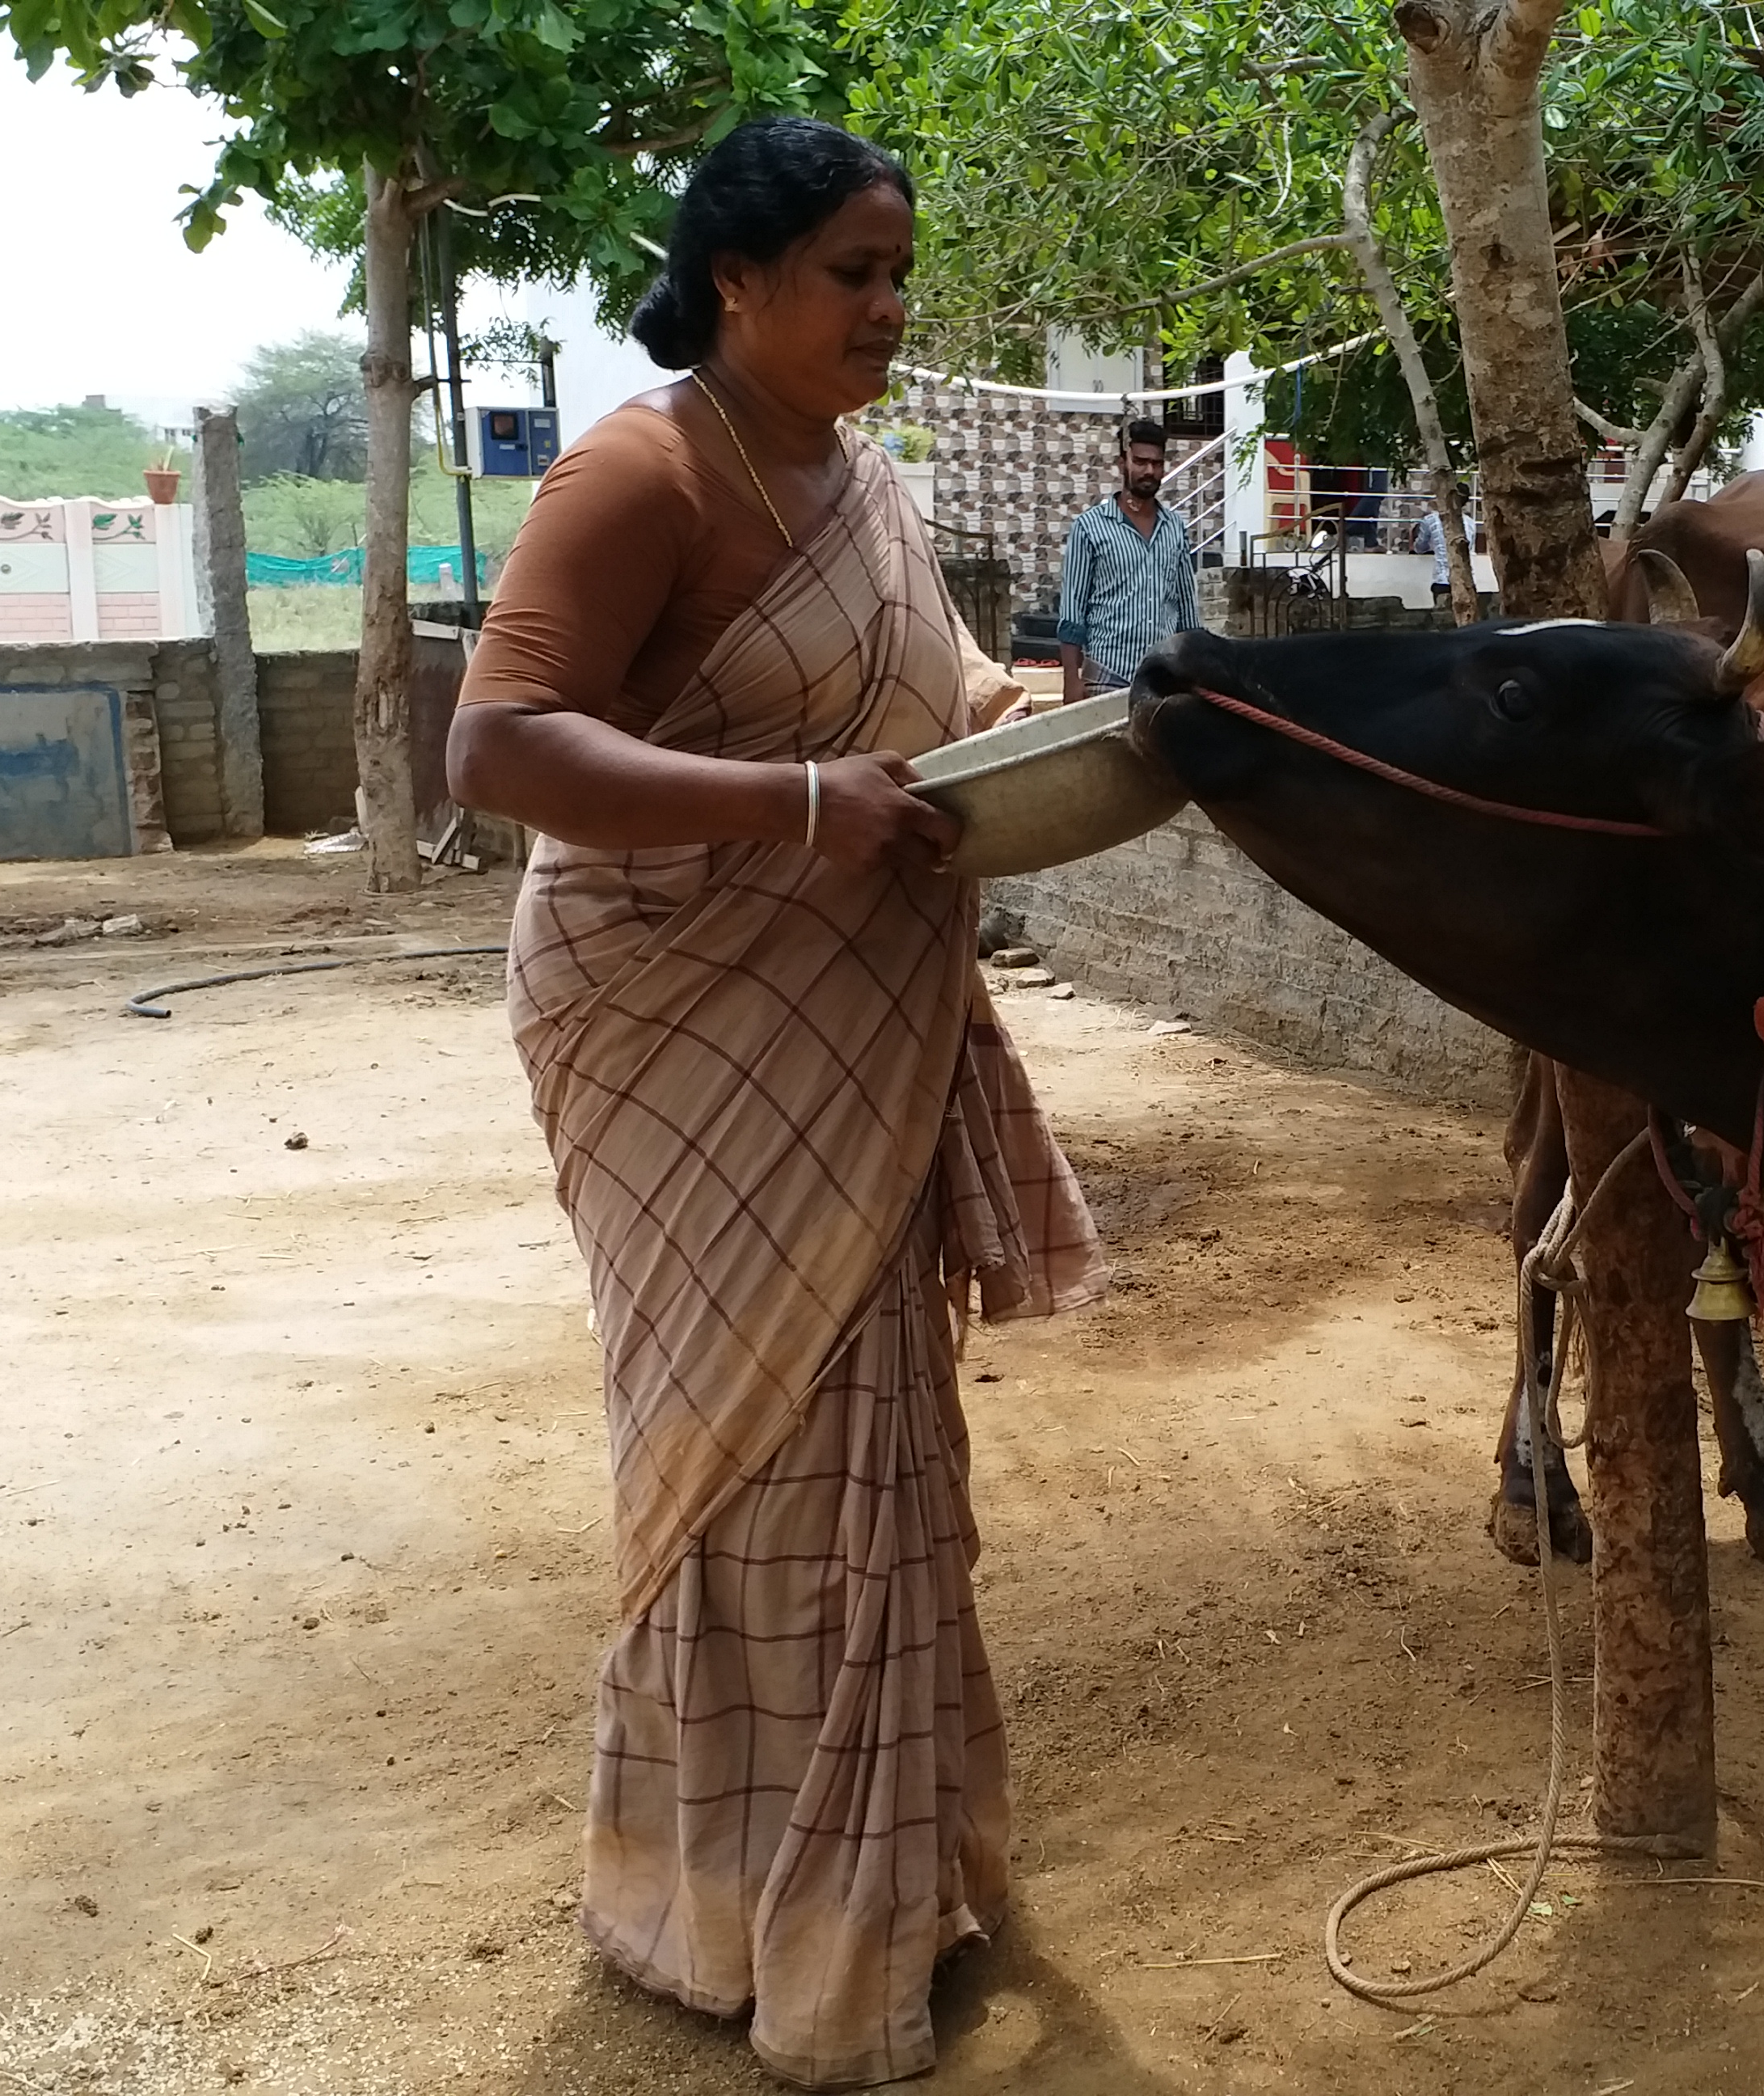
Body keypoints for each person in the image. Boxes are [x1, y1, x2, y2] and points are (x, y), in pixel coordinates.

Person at [442, 116, 1101, 2090]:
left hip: (847, 1010)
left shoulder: (865, 478)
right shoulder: (642, 469)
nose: (890, 312)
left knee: (874, 1445)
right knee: (748, 1456)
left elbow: (911, 683)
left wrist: (1005, 706)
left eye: (901, 274)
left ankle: (874, 1891)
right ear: (736, 280)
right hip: (674, 1017)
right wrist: (804, 806)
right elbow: (498, 742)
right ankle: (722, 1905)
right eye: (853, 275)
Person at [1053, 416, 1202, 704]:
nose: (1149, 471)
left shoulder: (1174, 527)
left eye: (1157, 464)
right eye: (1141, 462)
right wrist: (1071, 680)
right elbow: (1072, 613)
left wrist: (1193, 671)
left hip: (1163, 676)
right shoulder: (1089, 527)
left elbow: (1186, 611)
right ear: (1123, 464)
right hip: (1107, 677)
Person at [1411, 497, 1480, 610]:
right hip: (1466, 580)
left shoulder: (1430, 520)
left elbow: (1420, 547)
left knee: (1442, 617)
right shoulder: (1471, 523)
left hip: (1442, 580)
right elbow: (1470, 548)